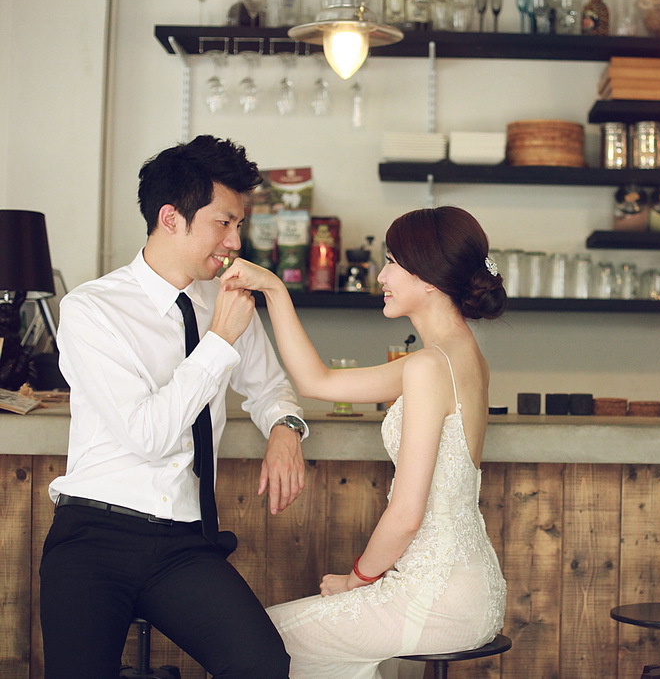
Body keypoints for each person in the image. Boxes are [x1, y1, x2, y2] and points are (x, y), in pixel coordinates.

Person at [40, 135, 307, 678]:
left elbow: (271, 387)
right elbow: (147, 436)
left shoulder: (226, 301)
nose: (235, 241)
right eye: (223, 222)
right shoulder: (92, 310)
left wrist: (285, 427)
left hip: (185, 543)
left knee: (261, 665)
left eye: (239, 224)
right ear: (171, 218)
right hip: (94, 535)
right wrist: (219, 341)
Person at [220, 205, 508, 678]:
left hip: (435, 599)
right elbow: (317, 381)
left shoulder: (428, 367)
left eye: (392, 262)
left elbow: (407, 514)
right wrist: (274, 288)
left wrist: (356, 579)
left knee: (249, 643)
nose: (381, 276)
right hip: (469, 589)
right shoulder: (459, 356)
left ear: (429, 277)